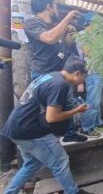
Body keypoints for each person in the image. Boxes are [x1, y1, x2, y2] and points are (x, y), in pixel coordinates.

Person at [1, 56, 92, 194]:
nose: (83, 81)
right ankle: (73, 192)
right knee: (60, 161)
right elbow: (52, 117)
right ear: (77, 73)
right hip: (29, 130)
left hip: (16, 127)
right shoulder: (59, 85)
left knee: (31, 165)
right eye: (84, 77)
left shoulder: (52, 76)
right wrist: (76, 110)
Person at [24, 0, 87, 142]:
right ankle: (48, 141)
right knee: (48, 110)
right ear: (48, 6)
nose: (57, 10)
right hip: (43, 73)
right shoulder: (32, 23)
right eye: (56, 6)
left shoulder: (53, 26)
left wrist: (68, 32)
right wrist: (67, 18)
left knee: (69, 102)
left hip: (59, 74)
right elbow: (50, 38)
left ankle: (70, 134)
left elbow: (66, 44)